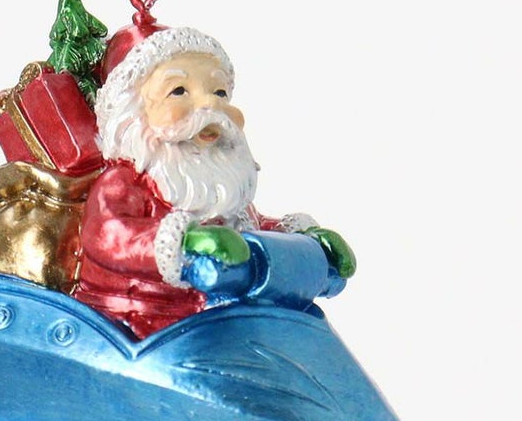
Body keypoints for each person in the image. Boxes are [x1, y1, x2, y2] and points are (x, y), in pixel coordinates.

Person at [73, 22, 355, 339]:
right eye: (179, 91)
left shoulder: (214, 183)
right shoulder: (124, 182)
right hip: (137, 321)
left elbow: (249, 229)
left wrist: (302, 240)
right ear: (133, 112)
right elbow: (108, 235)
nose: (210, 104)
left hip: (220, 319)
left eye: (219, 92)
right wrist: (184, 241)